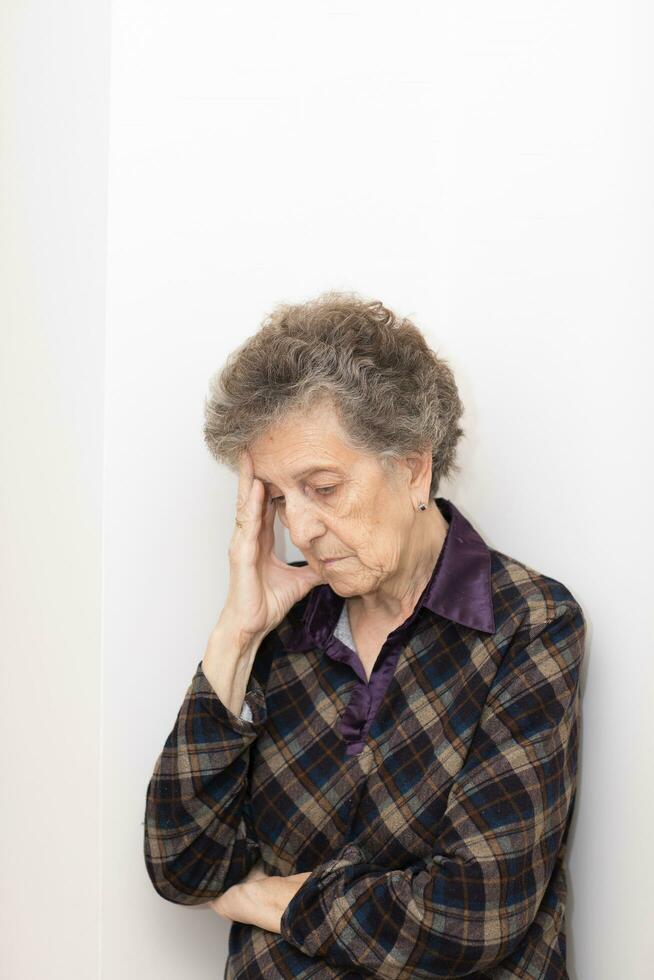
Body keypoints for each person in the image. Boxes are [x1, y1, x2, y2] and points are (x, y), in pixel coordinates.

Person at [143, 291, 586, 979]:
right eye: (281, 498)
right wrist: (236, 633)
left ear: (412, 467)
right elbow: (183, 863)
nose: (300, 530)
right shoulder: (282, 626)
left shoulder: (530, 624)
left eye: (322, 487)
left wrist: (277, 903)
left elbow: (472, 915)